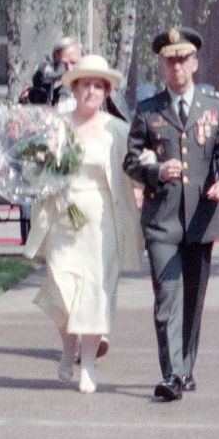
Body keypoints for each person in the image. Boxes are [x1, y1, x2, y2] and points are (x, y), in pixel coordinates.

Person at [125, 27, 219, 402]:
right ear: (162, 66)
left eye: (182, 59)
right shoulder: (148, 110)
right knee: (167, 297)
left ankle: (186, 367)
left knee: (193, 299)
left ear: (195, 62)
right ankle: (172, 374)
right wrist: (157, 170)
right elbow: (131, 161)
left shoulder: (214, 106)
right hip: (162, 221)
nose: (176, 67)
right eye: (169, 61)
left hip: (201, 220)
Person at [26, 55, 143, 394]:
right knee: (62, 287)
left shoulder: (117, 130)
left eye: (98, 85)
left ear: (106, 91)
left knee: (95, 292)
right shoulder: (57, 125)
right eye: (85, 84)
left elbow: (132, 171)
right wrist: (38, 162)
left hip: (102, 222)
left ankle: (88, 363)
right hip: (64, 216)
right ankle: (67, 347)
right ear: (74, 88)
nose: (91, 90)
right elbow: (37, 173)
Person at [27, 37, 82, 108]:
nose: (69, 68)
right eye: (63, 64)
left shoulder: (92, 88)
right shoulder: (49, 86)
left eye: (73, 63)